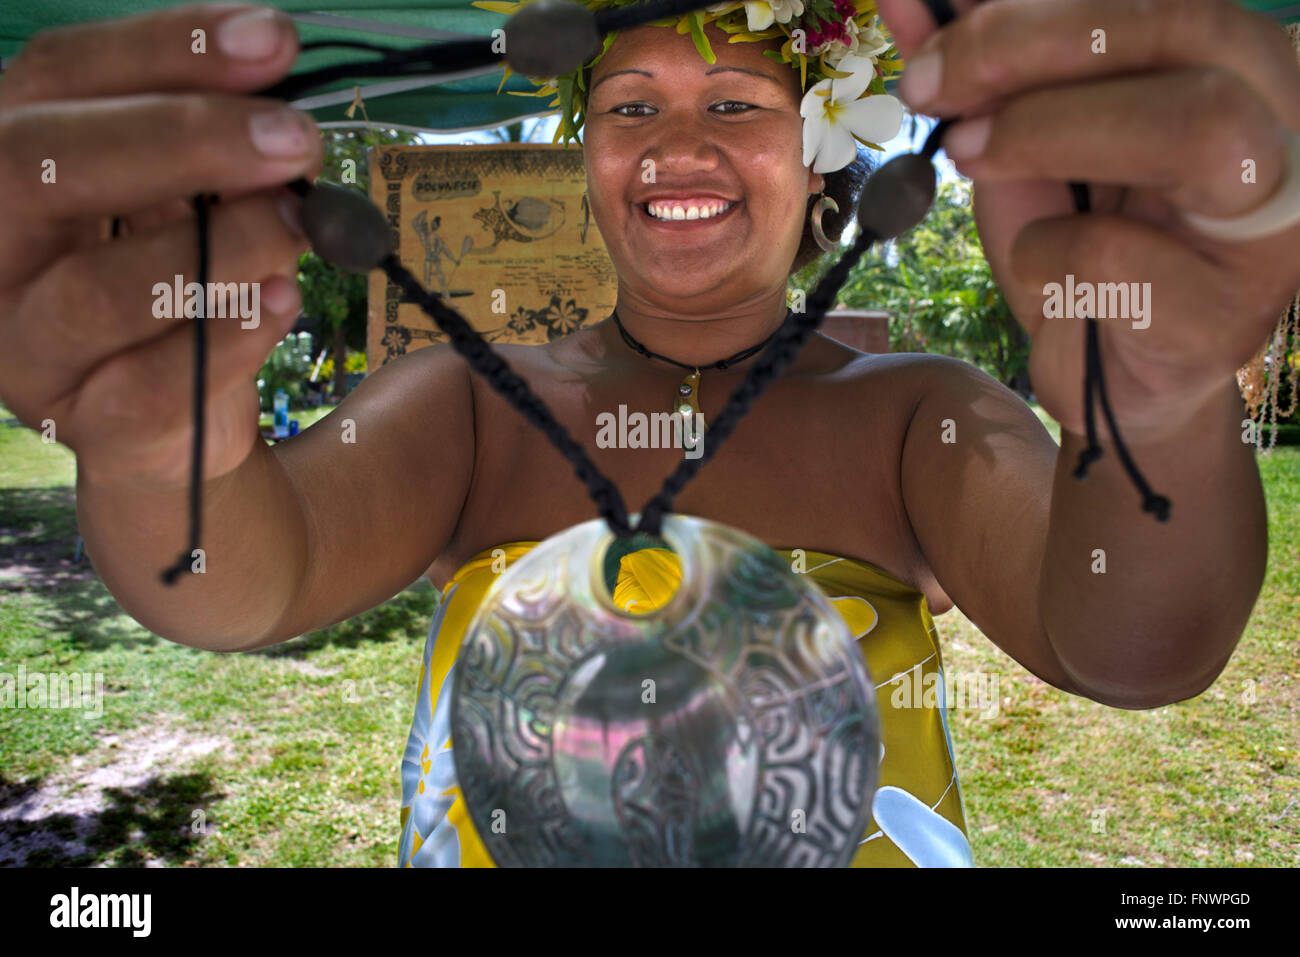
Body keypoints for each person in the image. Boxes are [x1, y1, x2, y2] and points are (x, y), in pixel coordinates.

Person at [0, 0, 1296, 868]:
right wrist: (156, 449)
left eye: (737, 105)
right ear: (585, 158)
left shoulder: (921, 415)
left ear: (821, 160)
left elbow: (1134, 644)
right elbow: (238, 577)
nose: (679, 146)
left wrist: (1160, 413)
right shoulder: (466, 402)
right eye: (630, 108)